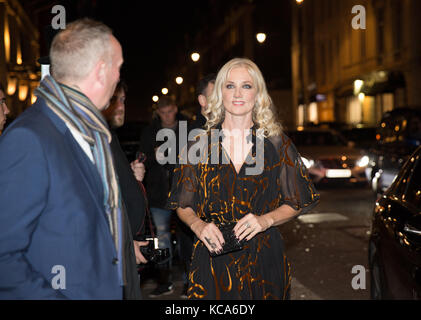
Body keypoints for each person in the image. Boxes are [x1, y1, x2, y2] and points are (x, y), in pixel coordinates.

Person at [0, 18, 140, 299]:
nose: (118, 78)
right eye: (118, 67)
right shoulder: (29, 137)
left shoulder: (90, 134)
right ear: (101, 71)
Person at [167, 58, 320, 300]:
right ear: (220, 93)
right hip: (213, 256)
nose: (238, 93)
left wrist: (266, 220)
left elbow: (297, 201)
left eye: (246, 86)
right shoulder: (197, 145)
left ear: (258, 94)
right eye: (230, 86)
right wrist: (198, 225)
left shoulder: (277, 144)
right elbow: (183, 205)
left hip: (265, 262)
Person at [138, 96, 183, 297]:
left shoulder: (187, 127)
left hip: (183, 194)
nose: (166, 117)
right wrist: (151, 157)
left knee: (187, 238)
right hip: (158, 194)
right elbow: (142, 158)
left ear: (175, 109)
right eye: (163, 113)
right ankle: (165, 281)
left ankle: (190, 280)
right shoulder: (151, 131)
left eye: (170, 112)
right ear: (158, 113)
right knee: (162, 238)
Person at [102, 80, 149, 266]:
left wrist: (131, 176)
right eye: (114, 100)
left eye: (123, 100)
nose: (120, 106)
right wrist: (123, 243)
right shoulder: (99, 138)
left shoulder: (109, 136)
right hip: (114, 252)